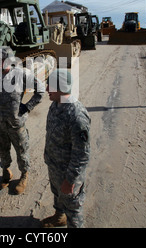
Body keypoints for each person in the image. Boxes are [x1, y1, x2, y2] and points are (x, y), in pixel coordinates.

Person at [0, 46, 45, 195]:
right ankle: (6, 171)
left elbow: (40, 90)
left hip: (16, 123)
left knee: (21, 150)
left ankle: (24, 175)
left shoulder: (21, 74)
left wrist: (28, 106)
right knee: (2, 149)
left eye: (2, 60)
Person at [41, 69, 91, 228]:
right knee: (57, 196)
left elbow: (82, 155)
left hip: (68, 174)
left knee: (73, 208)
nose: (47, 89)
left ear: (61, 87)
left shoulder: (77, 116)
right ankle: (59, 217)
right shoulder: (55, 105)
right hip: (55, 167)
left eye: (50, 85)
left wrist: (70, 180)